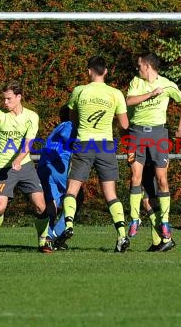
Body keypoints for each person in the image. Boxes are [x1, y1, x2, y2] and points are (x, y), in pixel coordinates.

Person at [55, 56, 130, 252]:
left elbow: (72, 119)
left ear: (89, 71)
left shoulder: (79, 91)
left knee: (72, 189)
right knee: (111, 194)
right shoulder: (115, 94)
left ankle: (69, 225)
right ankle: (122, 235)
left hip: (84, 143)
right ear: (105, 71)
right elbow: (124, 125)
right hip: (105, 145)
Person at [125, 52, 181, 252]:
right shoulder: (136, 82)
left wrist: (180, 128)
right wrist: (151, 94)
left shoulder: (168, 84)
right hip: (136, 133)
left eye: (140, 66)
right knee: (135, 175)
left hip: (158, 135)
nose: (138, 69)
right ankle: (135, 219)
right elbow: (128, 101)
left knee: (162, 179)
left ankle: (165, 223)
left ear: (148, 66)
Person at [0, 80, 52, 253]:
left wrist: (19, 160)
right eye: (3, 99)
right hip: (3, 168)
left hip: (25, 166)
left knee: (41, 206)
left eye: (9, 99)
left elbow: (29, 143)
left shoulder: (31, 116)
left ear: (19, 97)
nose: (5, 103)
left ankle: (43, 241)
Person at [36, 105, 81, 249]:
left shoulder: (57, 128)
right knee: (77, 196)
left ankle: (48, 236)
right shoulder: (70, 126)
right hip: (58, 165)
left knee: (51, 203)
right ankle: (58, 232)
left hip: (44, 166)